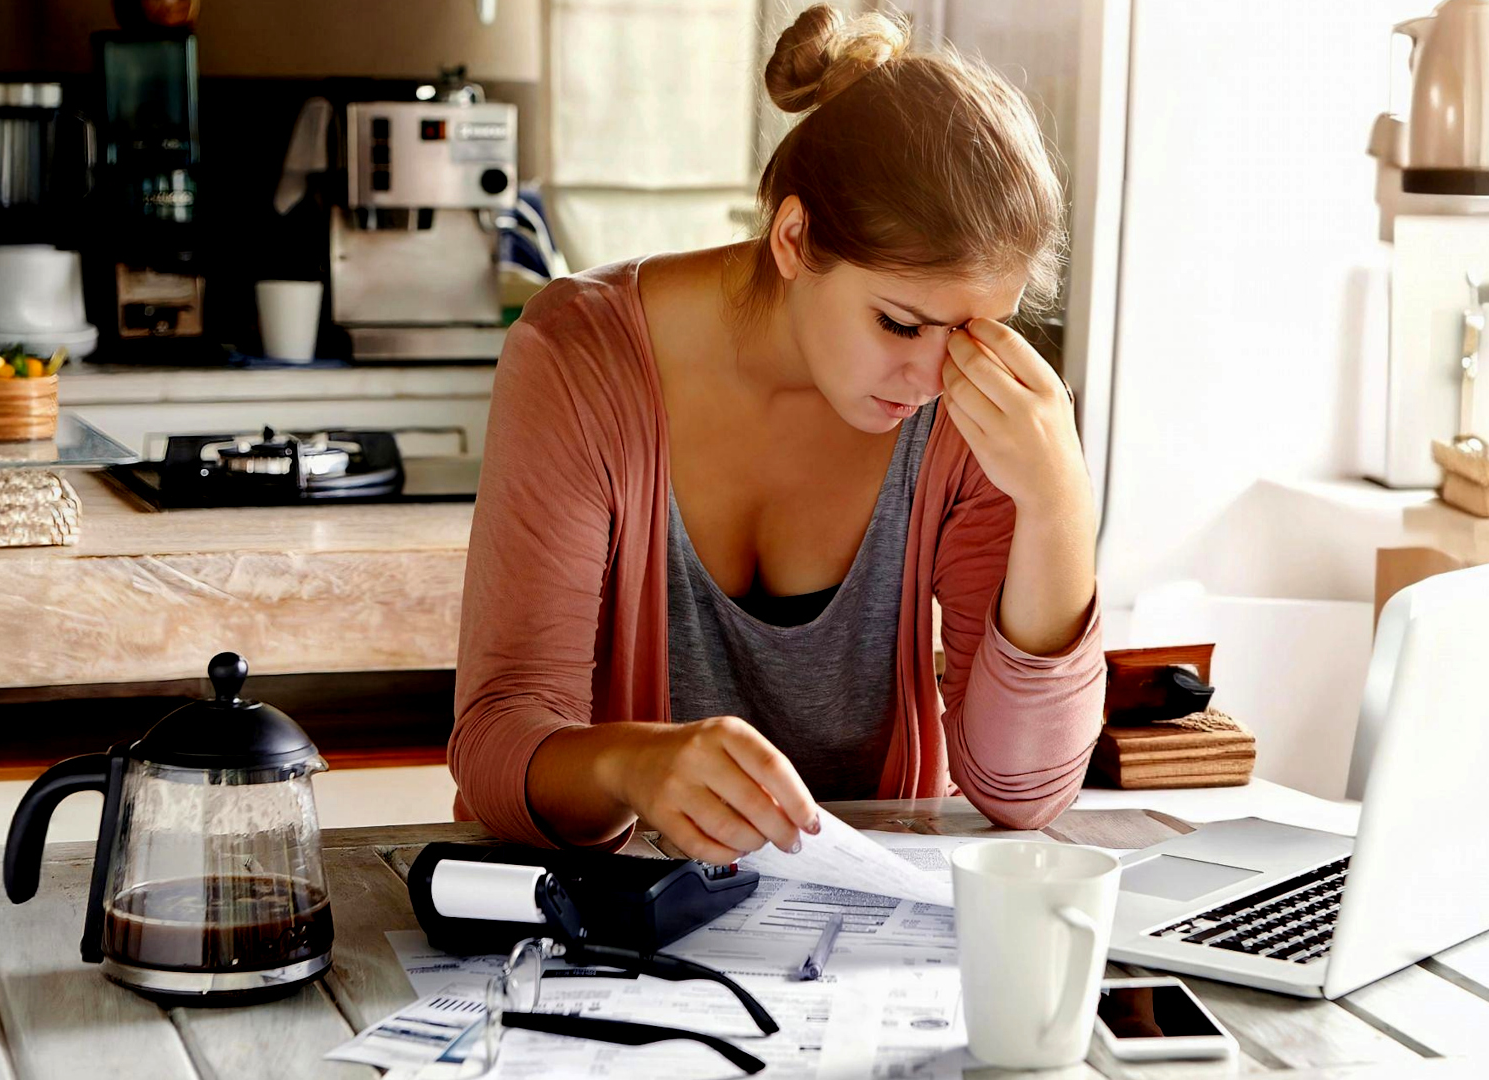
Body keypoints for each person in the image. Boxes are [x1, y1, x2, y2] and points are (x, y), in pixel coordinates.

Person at [450, 3, 1106, 862]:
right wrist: (633, 766)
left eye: (978, 330)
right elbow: (498, 741)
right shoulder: (581, 358)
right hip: (616, 932)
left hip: (872, 949)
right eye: (901, 325)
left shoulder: (977, 412)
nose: (937, 378)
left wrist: (1058, 504)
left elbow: (1021, 794)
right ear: (794, 238)